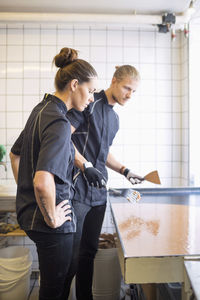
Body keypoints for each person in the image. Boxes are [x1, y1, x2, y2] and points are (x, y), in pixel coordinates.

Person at [9, 47, 98, 300]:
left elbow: (15, 154)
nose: (91, 98)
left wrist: (24, 190)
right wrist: (51, 217)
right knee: (54, 289)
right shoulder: (59, 122)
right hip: (51, 224)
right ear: (74, 84)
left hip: (30, 214)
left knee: (60, 277)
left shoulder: (41, 109)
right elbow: (41, 182)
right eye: (90, 91)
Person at [65, 65, 144, 300]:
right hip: (77, 189)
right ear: (114, 81)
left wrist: (125, 170)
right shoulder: (89, 102)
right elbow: (63, 138)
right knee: (72, 255)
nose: (129, 94)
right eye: (127, 88)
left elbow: (103, 152)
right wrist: (85, 166)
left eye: (134, 91)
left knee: (88, 252)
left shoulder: (115, 119)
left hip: (99, 193)